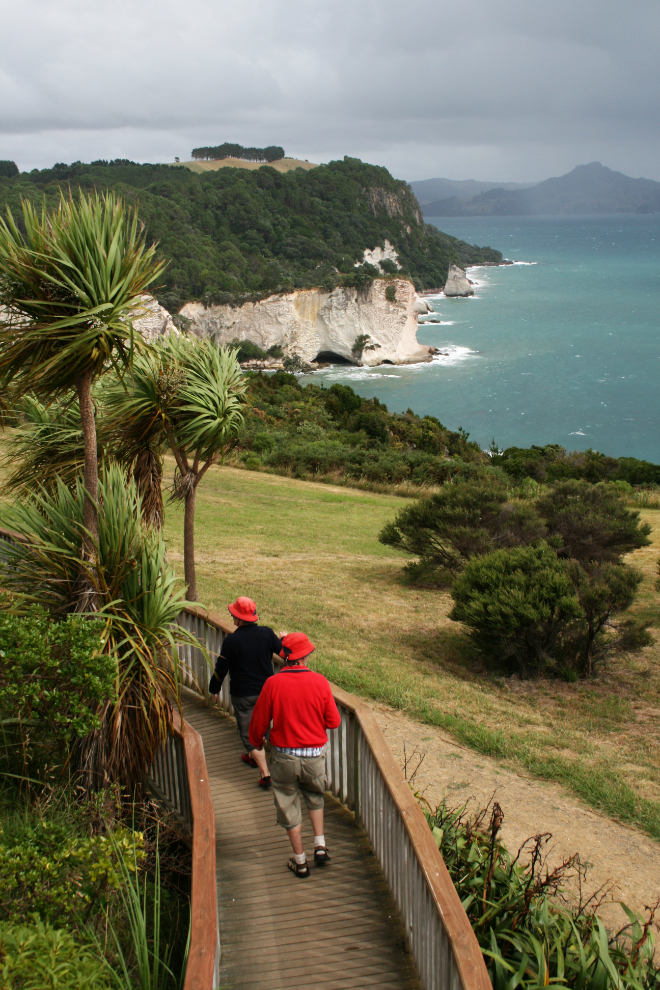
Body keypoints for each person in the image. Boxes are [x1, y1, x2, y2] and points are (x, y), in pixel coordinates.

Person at [249, 632, 341, 878]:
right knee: (315, 796)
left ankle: (300, 862)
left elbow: (258, 724)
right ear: (305, 656)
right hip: (313, 757)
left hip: (284, 758)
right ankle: (320, 845)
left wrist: (257, 742)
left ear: (285, 659)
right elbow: (334, 721)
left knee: (288, 804)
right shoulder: (320, 682)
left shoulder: (273, 684)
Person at [209, 596, 282, 789]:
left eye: (233, 614)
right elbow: (283, 651)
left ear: (239, 618)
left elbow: (221, 668)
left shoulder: (232, 641)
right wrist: (283, 639)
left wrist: (213, 689)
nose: (231, 615)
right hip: (267, 693)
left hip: (244, 695)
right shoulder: (266, 633)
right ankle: (253, 757)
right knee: (262, 727)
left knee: (249, 735)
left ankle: (265, 773)